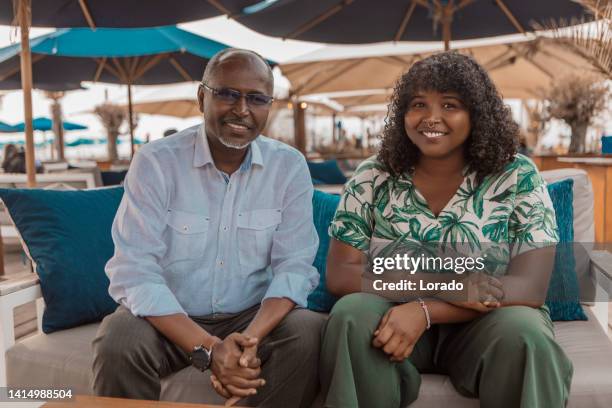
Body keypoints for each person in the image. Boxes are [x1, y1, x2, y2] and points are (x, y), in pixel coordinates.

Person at [320, 52, 572, 408]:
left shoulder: (517, 176)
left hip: (489, 325)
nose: (431, 117)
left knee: (525, 332)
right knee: (351, 314)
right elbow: (341, 273)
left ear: (476, 114)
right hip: (390, 323)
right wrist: (443, 287)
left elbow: (530, 287)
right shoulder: (373, 176)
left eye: (450, 105)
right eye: (418, 104)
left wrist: (426, 310)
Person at [93, 48, 324, 408]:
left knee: (308, 331)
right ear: (203, 96)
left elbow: (294, 267)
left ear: (269, 105)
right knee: (119, 338)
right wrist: (211, 348)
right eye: (228, 94)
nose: (242, 109)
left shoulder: (289, 167)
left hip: (252, 316)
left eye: (256, 98)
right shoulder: (156, 162)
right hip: (170, 317)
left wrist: (245, 343)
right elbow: (135, 272)